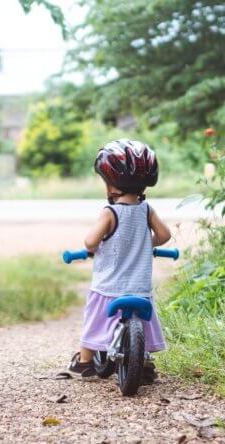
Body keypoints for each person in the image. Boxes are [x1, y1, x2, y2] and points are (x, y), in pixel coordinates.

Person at [68, 139, 171, 382]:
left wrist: (99, 245)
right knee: (143, 319)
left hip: (108, 288)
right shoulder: (147, 210)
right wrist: (146, 245)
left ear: (111, 184)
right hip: (139, 287)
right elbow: (165, 235)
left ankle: (84, 362)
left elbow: (90, 243)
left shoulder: (109, 212)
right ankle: (144, 363)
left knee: (94, 318)